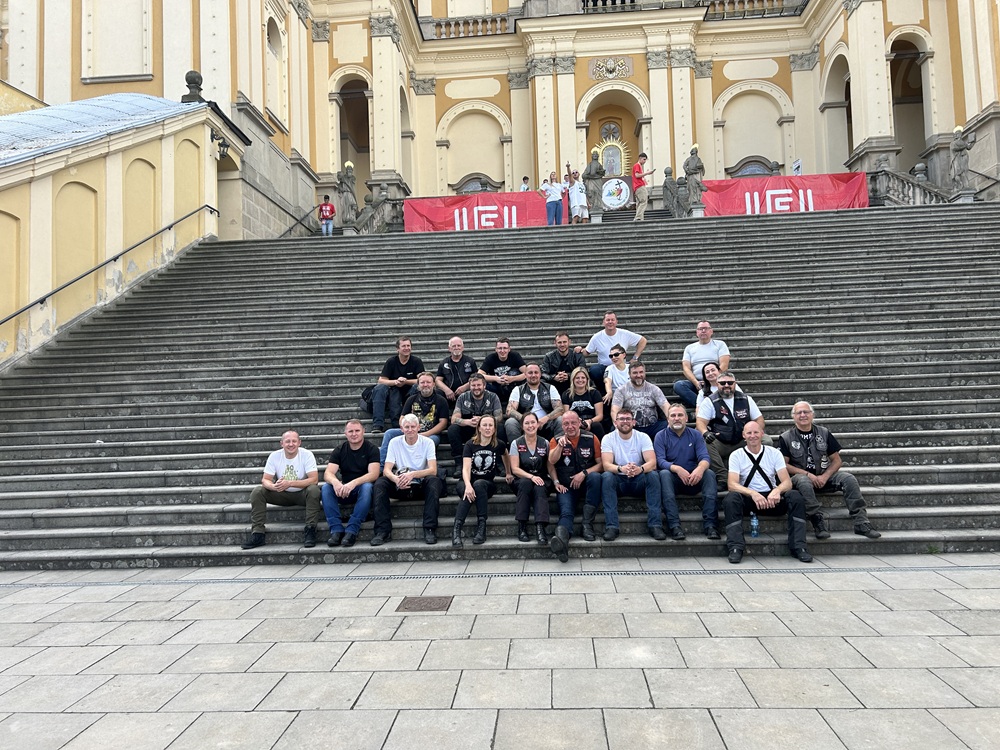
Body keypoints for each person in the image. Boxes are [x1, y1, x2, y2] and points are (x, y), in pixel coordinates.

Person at [780, 401, 881, 540]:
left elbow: (837, 460)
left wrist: (825, 476)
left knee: (849, 478)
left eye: (806, 412)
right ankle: (817, 521)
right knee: (803, 480)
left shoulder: (824, 433)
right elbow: (784, 465)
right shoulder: (786, 437)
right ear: (793, 417)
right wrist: (808, 474)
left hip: (823, 476)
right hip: (800, 479)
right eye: (799, 413)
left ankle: (861, 522)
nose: (803, 415)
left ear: (812, 415)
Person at [723, 422, 811, 564]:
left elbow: (787, 482)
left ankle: (799, 547)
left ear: (762, 434)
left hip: (772, 499)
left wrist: (777, 491)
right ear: (744, 435)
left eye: (756, 432)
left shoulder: (774, 453)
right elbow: (732, 484)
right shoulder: (736, 455)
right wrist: (753, 493)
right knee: (730, 499)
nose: (753, 436)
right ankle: (735, 547)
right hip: (750, 501)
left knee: (795, 496)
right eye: (749, 433)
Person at [241, 430, 322, 549]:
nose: (291, 444)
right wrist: (274, 486)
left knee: (314, 490)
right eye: (287, 441)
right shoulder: (274, 456)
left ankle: (310, 530)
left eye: (294, 441)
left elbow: (314, 480)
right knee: (258, 492)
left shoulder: (307, 455)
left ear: (299, 442)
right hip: (281, 494)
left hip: (302, 494)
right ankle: (258, 533)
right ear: (281, 443)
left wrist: (290, 483)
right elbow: (265, 480)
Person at [371, 414, 444, 546]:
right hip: (400, 484)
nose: (410, 430)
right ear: (401, 428)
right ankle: (382, 531)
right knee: (380, 483)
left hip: (420, 485)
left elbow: (433, 470)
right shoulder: (394, 442)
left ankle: (429, 529)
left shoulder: (428, 442)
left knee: (434, 481)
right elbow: (387, 470)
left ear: (418, 427)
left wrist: (413, 475)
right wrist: (396, 479)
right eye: (407, 427)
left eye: (413, 427)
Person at [655, 404, 719, 541]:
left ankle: (711, 525)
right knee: (664, 474)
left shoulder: (695, 434)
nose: (676, 418)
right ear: (667, 419)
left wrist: (700, 469)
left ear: (686, 418)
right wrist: (677, 469)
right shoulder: (661, 436)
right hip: (674, 480)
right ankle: (674, 526)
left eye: (680, 415)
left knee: (709, 474)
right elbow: (660, 461)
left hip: (694, 477)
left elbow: (705, 457)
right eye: (673, 415)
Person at [695, 371, 769, 489]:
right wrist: (706, 433)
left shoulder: (746, 399)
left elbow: (759, 420)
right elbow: (700, 422)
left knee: (766, 440)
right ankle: (722, 477)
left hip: (742, 440)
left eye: (730, 383)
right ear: (717, 384)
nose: (726, 385)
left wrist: (754, 432)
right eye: (723, 383)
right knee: (703, 442)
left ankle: (758, 471)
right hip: (721, 441)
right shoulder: (710, 401)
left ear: (735, 384)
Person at [547, 411, 603, 560]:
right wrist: (560, 447)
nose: (570, 426)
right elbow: (551, 461)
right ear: (562, 426)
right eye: (566, 424)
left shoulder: (591, 438)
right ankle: (561, 541)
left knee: (596, 477)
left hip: (586, 485)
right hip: (566, 486)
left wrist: (584, 473)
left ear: (579, 423)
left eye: (573, 423)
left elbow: (601, 465)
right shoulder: (556, 440)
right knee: (566, 512)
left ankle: (587, 525)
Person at [600, 408, 660, 541]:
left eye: (628, 419)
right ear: (615, 423)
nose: (625, 422)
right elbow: (606, 465)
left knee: (653, 475)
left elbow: (652, 463)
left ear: (634, 422)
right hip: (619, 481)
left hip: (638, 480)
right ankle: (612, 527)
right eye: (621, 419)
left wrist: (640, 469)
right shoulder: (608, 438)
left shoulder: (643, 437)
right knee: (606, 477)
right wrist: (621, 469)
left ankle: (655, 525)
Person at [453, 415, 511, 547]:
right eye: (484, 425)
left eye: (490, 425)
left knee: (479, 484)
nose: (487, 428)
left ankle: (481, 527)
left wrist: (508, 472)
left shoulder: (499, 444)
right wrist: (468, 485)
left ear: (494, 429)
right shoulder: (470, 444)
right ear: (479, 428)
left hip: (487, 484)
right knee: (467, 491)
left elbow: (506, 454)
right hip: (467, 481)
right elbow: (466, 468)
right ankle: (456, 530)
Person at [322, 420, 379, 548]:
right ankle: (336, 530)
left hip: (362, 492)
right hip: (344, 490)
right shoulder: (339, 450)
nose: (354, 434)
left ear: (363, 431)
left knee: (367, 486)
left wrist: (353, 483)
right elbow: (328, 473)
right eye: (350, 431)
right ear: (345, 433)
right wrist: (336, 482)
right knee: (326, 488)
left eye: (357, 430)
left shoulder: (372, 449)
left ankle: (352, 530)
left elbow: (374, 474)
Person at [377, 372, 449, 469]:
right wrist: (406, 430)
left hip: (430, 434)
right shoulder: (411, 399)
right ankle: (382, 467)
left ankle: (420, 468)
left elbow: (443, 423)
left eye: (428, 382)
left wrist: (425, 434)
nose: (425, 385)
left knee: (431, 441)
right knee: (389, 433)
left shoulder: (441, 401)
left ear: (433, 384)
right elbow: (402, 418)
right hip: (410, 430)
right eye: (422, 382)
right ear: (418, 385)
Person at [448, 373, 505, 477]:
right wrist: (467, 422)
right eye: (473, 385)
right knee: (453, 429)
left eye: (479, 385)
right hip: (469, 428)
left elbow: (499, 417)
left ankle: (499, 462)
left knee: (500, 427)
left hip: (487, 429)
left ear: (484, 385)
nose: (476, 388)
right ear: (469, 386)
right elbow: (454, 419)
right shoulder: (462, 397)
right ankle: (459, 464)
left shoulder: (493, 397)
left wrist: (483, 421)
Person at [510, 413, 552, 544]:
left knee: (540, 487)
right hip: (522, 479)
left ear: (538, 424)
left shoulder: (545, 443)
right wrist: (531, 477)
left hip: (541, 479)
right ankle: (522, 526)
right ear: (522, 426)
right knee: (525, 484)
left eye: (533, 422)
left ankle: (540, 528)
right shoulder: (516, 443)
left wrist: (556, 481)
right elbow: (515, 469)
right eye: (527, 423)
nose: (530, 426)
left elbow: (550, 466)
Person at [577, 311, 648, 387]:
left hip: (621, 366)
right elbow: (587, 352)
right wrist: (580, 349)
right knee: (594, 370)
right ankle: (603, 391)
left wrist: (635, 358)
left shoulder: (624, 334)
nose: (610, 322)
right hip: (604, 368)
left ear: (616, 322)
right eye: (608, 320)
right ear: (603, 322)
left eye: (612, 320)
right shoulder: (597, 337)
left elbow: (643, 340)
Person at [370, 337, 424, 433]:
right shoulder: (391, 361)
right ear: (397, 349)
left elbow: (422, 380)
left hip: (410, 393)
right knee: (380, 388)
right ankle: (378, 424)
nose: (406, 348)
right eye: (403, 346)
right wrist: (395, 382)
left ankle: (416, 422)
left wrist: (406, 382)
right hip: (393, 393)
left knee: (418, 387)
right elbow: (381, 380)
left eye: (408, 346)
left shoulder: (416, 361)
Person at [673, 321, 732, 409]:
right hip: (697, 383)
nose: (703, 331)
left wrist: (712, 379)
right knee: (679, 386)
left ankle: (707, 407)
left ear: (711, 331)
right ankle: (706, 407)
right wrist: (696, 382)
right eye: (700, 329)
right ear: (697, 332)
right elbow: (686, 368)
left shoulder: (720, 345)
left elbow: (724, 364)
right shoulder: (689, 348)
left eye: (706, 328)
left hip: (715, 381)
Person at [505, 363, 565, 442]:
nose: (533, 375)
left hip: (546, 425)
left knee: (560, 420)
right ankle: (516, 448)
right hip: (525, 426)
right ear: (525, 375)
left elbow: (560, 409)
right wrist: (527, 420)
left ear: (540, 374)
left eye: (536, 372)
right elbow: (509, 410)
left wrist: (545, 418)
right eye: (530, 373)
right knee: (510, 422)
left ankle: (558, 447)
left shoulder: (550, 388)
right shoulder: (518, 390)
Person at [610, 361, 670, 439]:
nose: (638, 375)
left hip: (653, 426)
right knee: (614, 429)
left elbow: (665, 406)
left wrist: (670, 419)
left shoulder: (654, 388)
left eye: (641, 372)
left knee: (668, 426)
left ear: (645, 373)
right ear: (629, 374)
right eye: (635, 373)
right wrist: (617, 424)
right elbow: (615, 410)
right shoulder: (621, 390)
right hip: (632, 427)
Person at [479, 337, 527, 408]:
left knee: (519, 376)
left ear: (509, 349)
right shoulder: (490, 358)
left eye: (505, 348)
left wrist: (512, 379)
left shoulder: (515, 356)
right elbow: (479, 375)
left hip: (513, 388)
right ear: (496, 349)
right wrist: (496, 379)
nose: (502, 351)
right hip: (496, 389)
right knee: (481, 384)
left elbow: (526, 373)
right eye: (500, 348)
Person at [562, 366, 605, 439]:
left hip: (591, 421)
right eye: (577, 378)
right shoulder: (566, 394)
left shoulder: (594, 393)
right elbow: (566, 414)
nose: (580, 380)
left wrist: (589, 421)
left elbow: (600, 415)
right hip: (574, 422)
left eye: (583, 378)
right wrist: (577, 422)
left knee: (597, 426)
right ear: (573, 380)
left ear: (587, 379)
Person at [435, 336, 478, 405]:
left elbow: (477, 378)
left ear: (463, 347)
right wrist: (447, 390)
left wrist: (464, 387)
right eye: (454, 346)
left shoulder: (470, 361)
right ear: (449, 348)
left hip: (466, 392)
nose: (456, 347)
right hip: (448, 394)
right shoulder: (443, 363)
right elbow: (438, 380)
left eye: (459, 345)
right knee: (437, 392)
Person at [631, 152, 655, 221]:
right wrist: (647, 173)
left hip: (637, 186)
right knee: (644, 201)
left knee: (639, 202)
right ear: (640, 158)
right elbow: (637, 175)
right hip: (639, 186)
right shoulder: (637, 165)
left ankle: (640, 218)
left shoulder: (638, 166)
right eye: (644, 159)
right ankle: (638, 217)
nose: (644, 161)